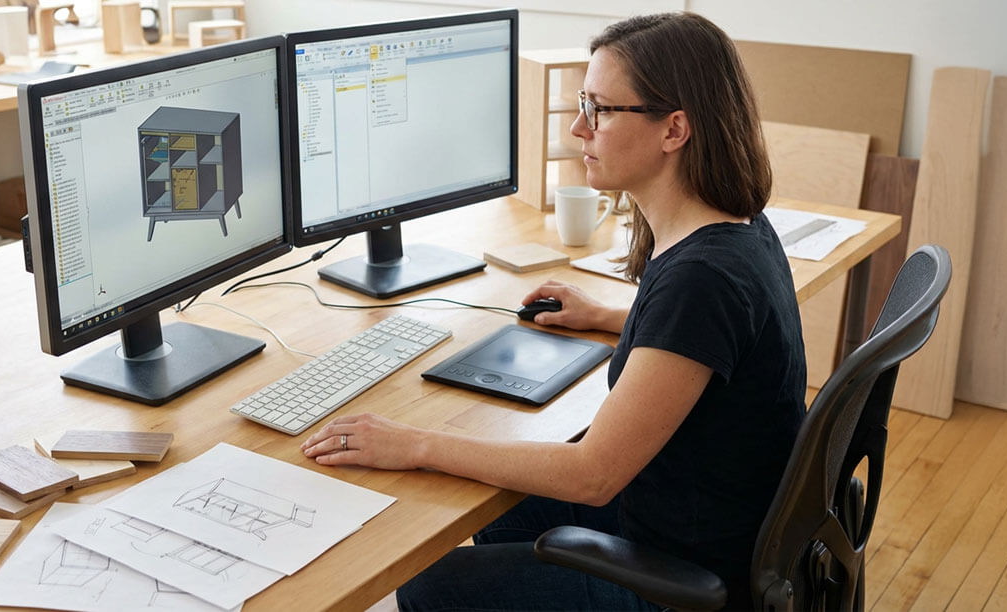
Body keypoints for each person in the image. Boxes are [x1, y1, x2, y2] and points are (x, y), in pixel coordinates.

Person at [300, 11, 805, 611]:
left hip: (689, 576)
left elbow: (592, 474)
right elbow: (719, 341)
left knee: (431, 588)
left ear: (674, 129)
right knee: (498, 502)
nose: (576, 129)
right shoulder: (739, 224)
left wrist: (414, 443)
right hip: (709, 518)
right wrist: (612, 316)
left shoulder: (701, 279)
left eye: (599, 109)